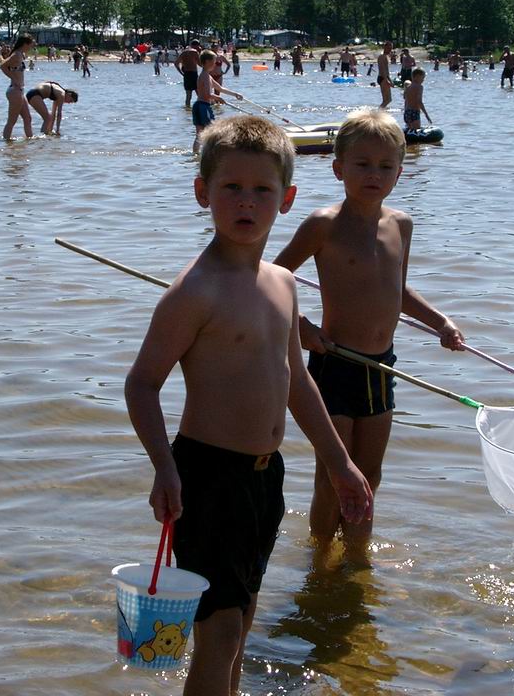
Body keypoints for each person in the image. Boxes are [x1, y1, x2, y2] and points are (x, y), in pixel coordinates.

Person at [124, 115, 373, 696]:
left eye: (262, 189)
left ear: (286, 199)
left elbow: (296, 382)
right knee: (220, 630)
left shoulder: (282, 283)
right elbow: (142, 384)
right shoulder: (195, 291)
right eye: (231, 187)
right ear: (202, 192)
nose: (246, 201)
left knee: (243, 617)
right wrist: (164, 467)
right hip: (207, 477)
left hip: (265, 476)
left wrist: (339, 463)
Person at [273, 109, 462, 549]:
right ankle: (320, 561)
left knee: (370, 474)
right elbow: (272, 281)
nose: (374, 174)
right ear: (339, 168)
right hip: (334, 364)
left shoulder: (401, 225)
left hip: (380, 368)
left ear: (400, 171)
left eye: (385, 166)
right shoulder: (323, 224)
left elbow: (398, 290)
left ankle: (357, 560)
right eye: (362, 164)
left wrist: (441, 322)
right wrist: (302, 327)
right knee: (335, 475)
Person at [191, 49, 243, 154]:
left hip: (198, 105)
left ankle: (196, 155)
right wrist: (218, 98)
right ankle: (211, 153)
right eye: (213, 61)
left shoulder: (207, 75)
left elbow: (220, 88)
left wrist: (235, 94)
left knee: (200, 134)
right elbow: (207, 95)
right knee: (212, 130)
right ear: (207, 62)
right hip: (203, 106)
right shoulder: (205, 76)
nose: (215, 64)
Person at [1, 34, 34, 140]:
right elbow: (3, 66)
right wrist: (14, 78)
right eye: (30, 45)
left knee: (28, 118)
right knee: (12, 121)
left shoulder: (20, 54)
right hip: (14, 91)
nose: (31, 47)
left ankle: (30, 141)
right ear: (25, 44)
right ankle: (6, 142)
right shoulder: (16, 55)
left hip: (19, 90)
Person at [175, 39, 202, 108]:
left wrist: (181, 73)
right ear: (197, 45)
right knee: (199, 94)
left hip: (186, 74)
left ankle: (187, 109)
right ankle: (201, 108)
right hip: (193, 74)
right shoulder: (195, 52)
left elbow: (176, 63)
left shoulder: (184, 52)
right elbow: (200, 64)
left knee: (188, 96)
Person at [377, 42, 393, 108]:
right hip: (383, 78)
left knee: (386, 100)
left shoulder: (385, 56)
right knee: (388, 99)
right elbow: (382, 69)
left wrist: (390, 80)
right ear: (384, 47)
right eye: (388, 48)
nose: (390, 50)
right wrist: (386, 80)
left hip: (385, 77)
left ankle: (382, 111)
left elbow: (387, 70)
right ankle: (378, 111)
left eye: (391, 48)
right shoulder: (382, 56)